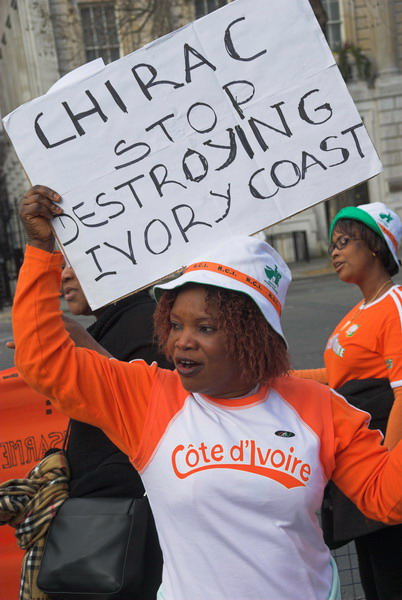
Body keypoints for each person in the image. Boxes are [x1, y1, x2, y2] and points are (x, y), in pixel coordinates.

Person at [12, 186, 402, 600]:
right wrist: (41, 250)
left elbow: (385, 498)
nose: (181, 342)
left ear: (253, 335)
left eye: (206, 328)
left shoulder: (318, 406)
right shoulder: (148, 397)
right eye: (175, 324)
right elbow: (43, 360)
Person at [294, 201, 402, 600]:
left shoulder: (394, 306)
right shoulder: (358, 311)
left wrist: (390, 467)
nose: (333, 252)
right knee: (375, 575)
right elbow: (339, 379)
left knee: (392, 573)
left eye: (343, 242)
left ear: (374, 246)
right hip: (359, 458)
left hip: (383, 463)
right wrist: (283, 378)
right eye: (332, 245)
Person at [59, 264, 170, 600]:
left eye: (73, 262)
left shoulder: (146, 326)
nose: (64, 275)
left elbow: (150, 429)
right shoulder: (115, 324)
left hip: (126, 539)